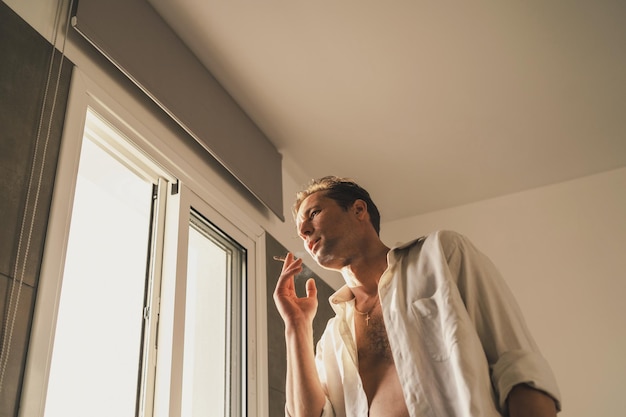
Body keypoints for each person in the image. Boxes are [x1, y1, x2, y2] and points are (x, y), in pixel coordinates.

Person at [273, 176, 561, 417]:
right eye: (300, 231)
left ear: (359, 210)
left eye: (314, 213)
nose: (303, 230)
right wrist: (296, 326)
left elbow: (518, 368)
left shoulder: (441, 255)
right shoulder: (332, 337)